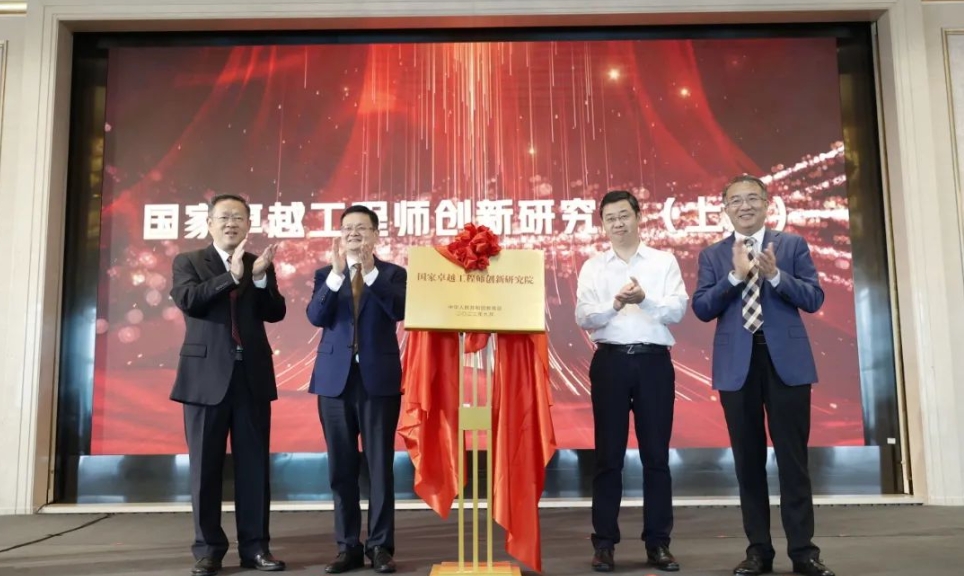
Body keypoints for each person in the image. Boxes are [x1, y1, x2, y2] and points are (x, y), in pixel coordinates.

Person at [691, 175, 834, 576]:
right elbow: (702, 307)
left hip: (786, 362)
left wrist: (775, 277)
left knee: (793, 461)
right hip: (737, 365)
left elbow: (814, 297)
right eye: (736, 200)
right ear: (725, 209)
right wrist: (735, 277)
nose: (745, 206)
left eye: (753, 198)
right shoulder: (713, 255)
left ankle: (804, 553)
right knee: (747, 462)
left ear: (768, 203)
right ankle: (758, 552)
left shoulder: (792, 245)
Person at [169, 194, 287, 576]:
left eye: (238, 217)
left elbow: (276, 312)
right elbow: (190, 300)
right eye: (224, 217)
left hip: (251, 376)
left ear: (248, 224)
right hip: (205, 379)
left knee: (254, 468)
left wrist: (260, 278)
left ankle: (256, 548)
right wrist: (232, 278)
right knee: (205, 469)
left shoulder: (258, 263)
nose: (231, 223)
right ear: (209, 223)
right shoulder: (188, 261)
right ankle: (208, 550)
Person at [575, 190, 688, 573]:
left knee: (656, 456)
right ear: (603, 224)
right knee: (608, 457)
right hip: (610, 362)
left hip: (654, 363)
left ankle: (658, 543)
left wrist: (644, 299)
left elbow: (677, 310)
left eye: (624, 215)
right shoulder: (593, 266)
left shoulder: (663, 261)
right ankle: (604, 543)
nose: (618, 223)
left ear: (639, 216)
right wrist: (616, 304)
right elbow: (583, 317)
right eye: (610, 218)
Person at [306, 205, 407, 574]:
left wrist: (371, 272)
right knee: (342, 468)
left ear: (376, 235)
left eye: (361, 228)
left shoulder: (393, 274)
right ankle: (347, 546)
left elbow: (400, 309)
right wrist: (336, 275)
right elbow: (316, 316)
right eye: (347, 228)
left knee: (380, 467)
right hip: (334, 383)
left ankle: (380, 547)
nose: (353, 233)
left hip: (378, 381)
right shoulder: (325, 274)